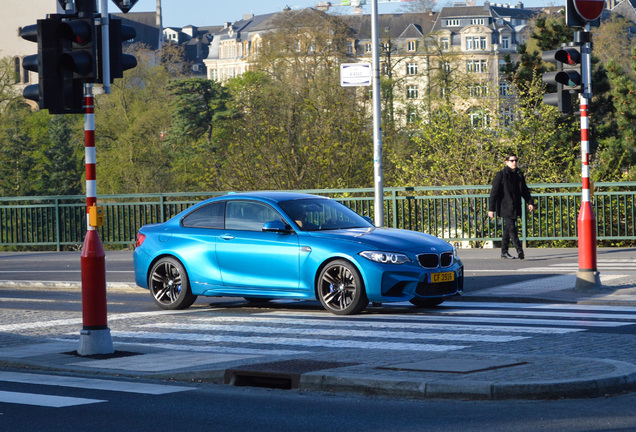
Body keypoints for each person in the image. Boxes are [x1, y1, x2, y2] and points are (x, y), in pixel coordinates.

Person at [488, 153, 534, 259]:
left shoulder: (519, 174)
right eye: (512, 161)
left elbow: (524, 190)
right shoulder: (501, 174)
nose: (514, 163)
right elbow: (493, 193)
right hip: (504, 207)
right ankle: (519, 250)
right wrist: (491, 209)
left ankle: (504, 252)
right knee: (512, 228)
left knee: (507, 229)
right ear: (506, 162)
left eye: (515, 160)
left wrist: (530, 202)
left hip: (515, 206)